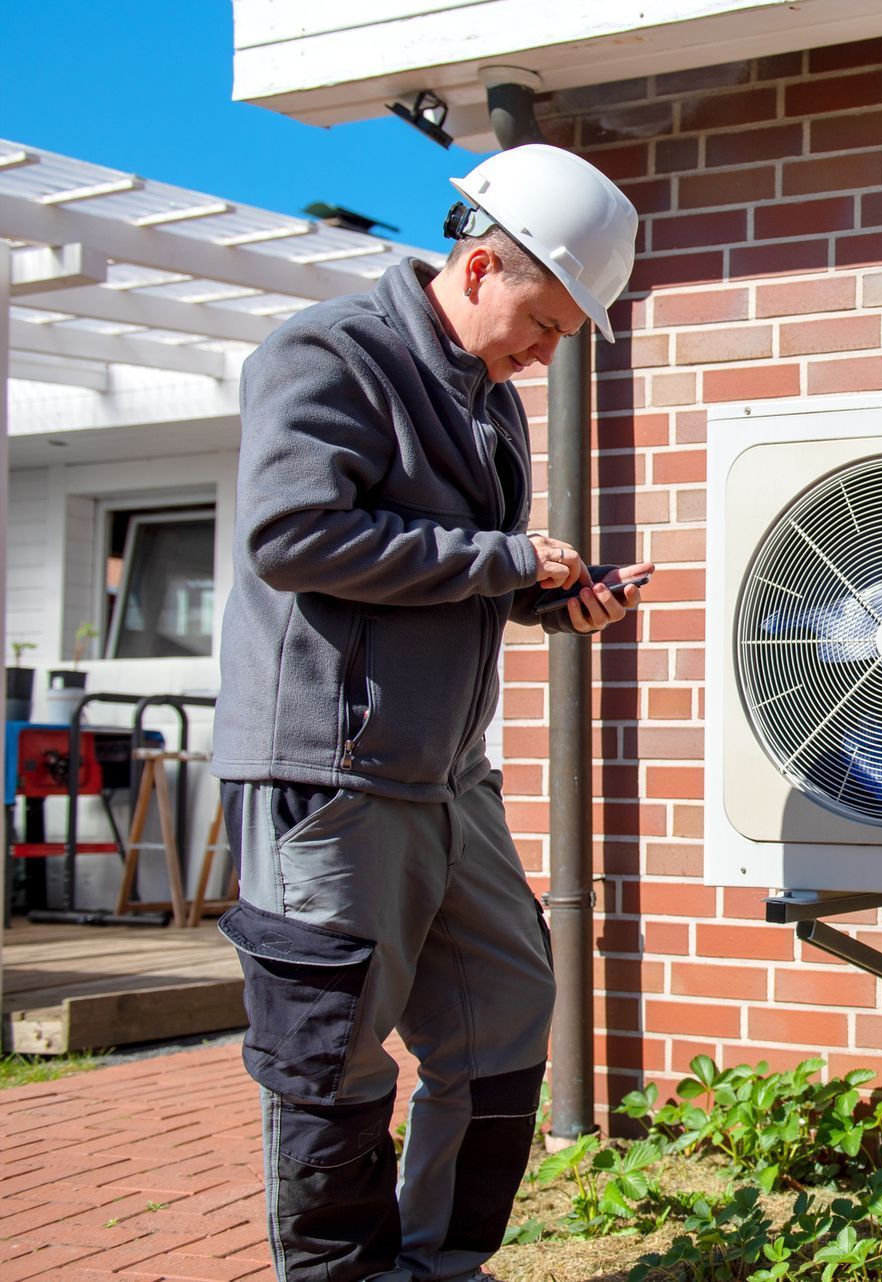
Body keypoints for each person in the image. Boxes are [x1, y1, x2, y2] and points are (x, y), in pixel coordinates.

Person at [210, 144, 642, 1281]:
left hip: (449, 776)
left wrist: (551, 600)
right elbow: (293, 536)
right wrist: (503, 556)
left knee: (508, 1012)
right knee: (331, 1056)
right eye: (544, 322)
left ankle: (443, 1263)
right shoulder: (328, 353)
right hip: (332, 773)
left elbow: (442, 578)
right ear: (481, 262)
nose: (546, 353)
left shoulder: (489, 402)